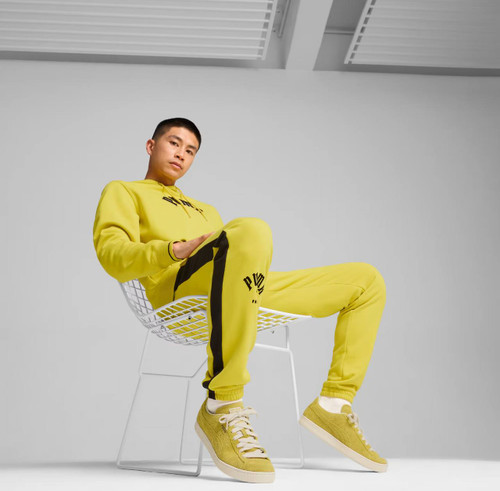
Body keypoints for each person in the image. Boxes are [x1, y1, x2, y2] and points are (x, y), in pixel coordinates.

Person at [93, 117, 388, 483]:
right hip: (176, 291)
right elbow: (112, 254)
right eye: (174, 143)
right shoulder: (123, 191)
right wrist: (172, 250)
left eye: (191, 151)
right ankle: (223, 403)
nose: (182, 154)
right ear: (151, 146)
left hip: (235, 288)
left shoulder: (206, 210)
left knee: (365, 280)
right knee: (251, 227)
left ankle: (333, 404)